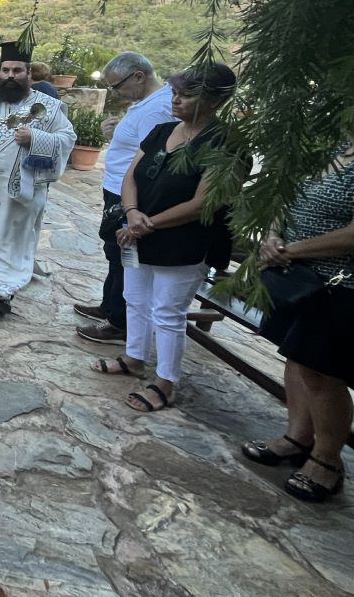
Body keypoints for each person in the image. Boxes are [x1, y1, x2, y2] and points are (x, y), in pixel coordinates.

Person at [92, 63, 237, 412]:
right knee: (135, 299)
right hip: (138, 232)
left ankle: (166, 382)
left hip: (183, 242)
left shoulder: (224, 143)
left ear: (215, 101)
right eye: (175, 93)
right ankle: (134, 358)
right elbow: (131, 176)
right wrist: (131, 212)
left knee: (168, 312)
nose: (176, 100)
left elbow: (203, 202)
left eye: (187, 95)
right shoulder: (162, 130)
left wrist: (147, 223)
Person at [243, 139, 354, 502]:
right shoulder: (332, 145)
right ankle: (298, 438)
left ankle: (327, 460)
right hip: (299, 279)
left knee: (322, 373)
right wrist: (273, 236)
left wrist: (290, 250)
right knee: (296, 357)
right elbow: (285, 195)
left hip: (340, 285)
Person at [0, 41, 76, 318]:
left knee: (11, 236)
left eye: (17, 70)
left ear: (28, 73)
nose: (10, 75)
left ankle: (1, 290)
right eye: (5, 70)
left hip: (23, 189)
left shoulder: (48, 107)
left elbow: (67, 138)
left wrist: (36, 138)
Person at [75, 52, 175, 345]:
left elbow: (153, 160)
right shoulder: (144, 104)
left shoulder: (158, 109)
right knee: (113, 251)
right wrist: (115, 135)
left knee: (124, 257)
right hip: (118, 189)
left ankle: (119, 322)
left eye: (117, 86)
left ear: (139, 76)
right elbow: (137, 147)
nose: (115, 92)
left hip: (130, 195)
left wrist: (132, 205)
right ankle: (109, 305)